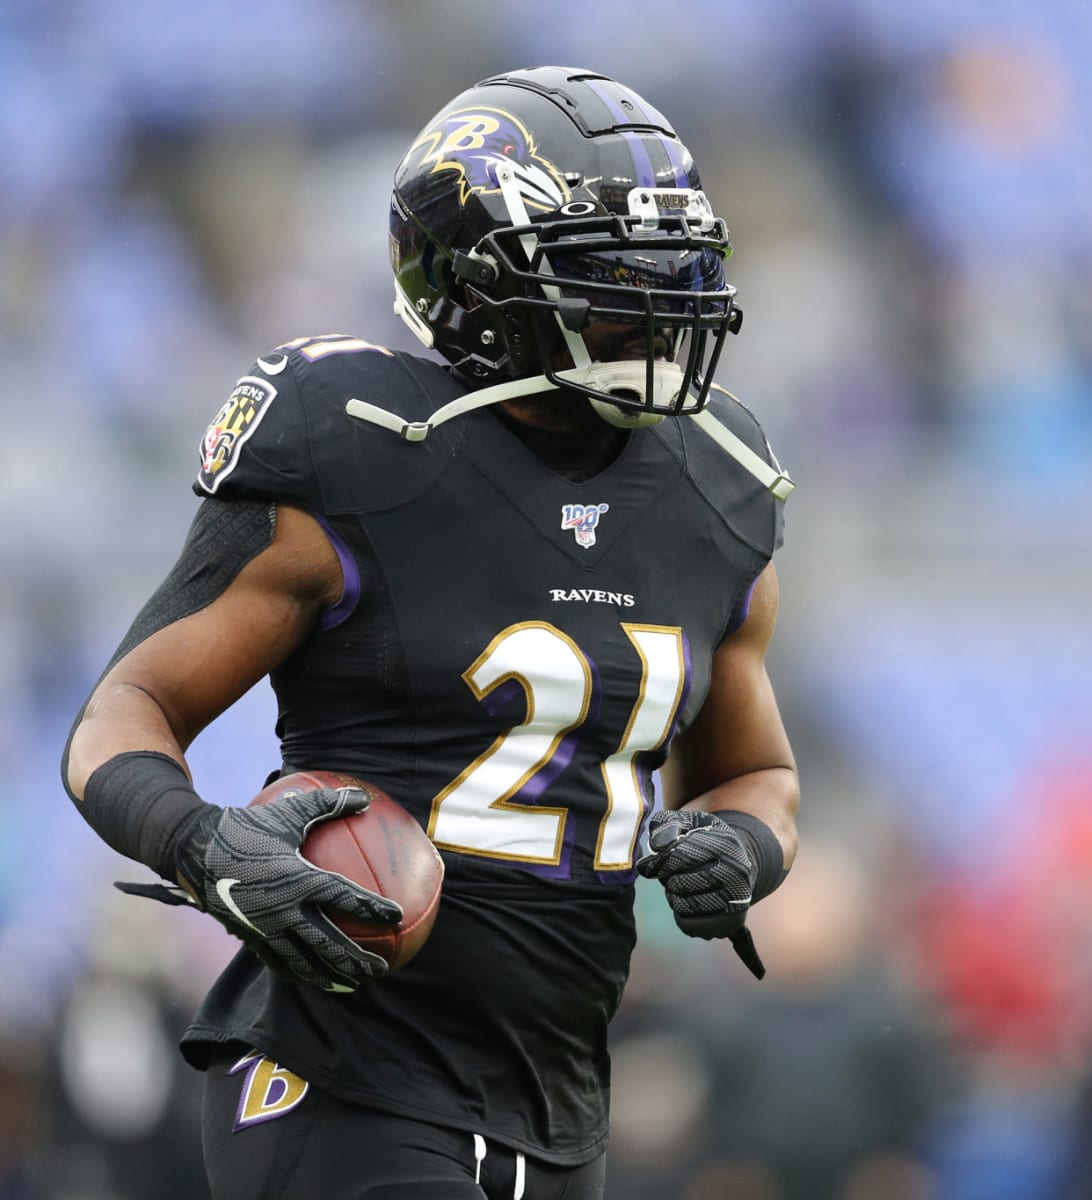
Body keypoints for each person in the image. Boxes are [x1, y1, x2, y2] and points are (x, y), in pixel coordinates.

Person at [62, 65, 800, 1200]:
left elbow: (756, 773)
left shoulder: (721, 487)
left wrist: (741, 850)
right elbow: (122, 715)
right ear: (476, 279)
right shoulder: (354, 443)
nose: (654, 308)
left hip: (558, 1101)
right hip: (342, 1067)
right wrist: (204, 847)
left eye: (669, 269)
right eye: (608, 277)